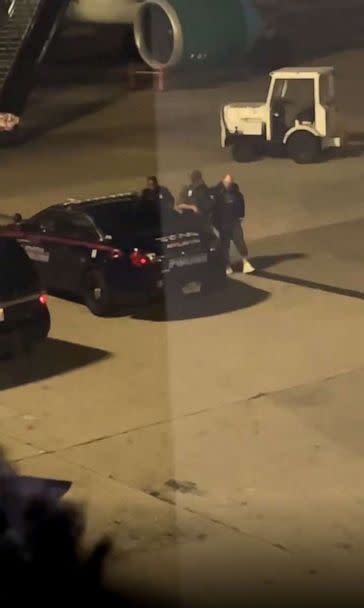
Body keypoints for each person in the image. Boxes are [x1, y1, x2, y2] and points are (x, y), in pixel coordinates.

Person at [213, 174, 255, 275]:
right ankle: (227, 266)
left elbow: (241, 203)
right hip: (223, 223)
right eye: (227, 182)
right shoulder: (217, 193)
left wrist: (240, 216)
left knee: (240, 241)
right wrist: (216, 223)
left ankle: (245, 262)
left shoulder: (236, 193)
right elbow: (214, 209)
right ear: (223, 181)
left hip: (234, 222)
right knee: (225, 246)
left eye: (230, 183)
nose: (228, 185)